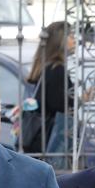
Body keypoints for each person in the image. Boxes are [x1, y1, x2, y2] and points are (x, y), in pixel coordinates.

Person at [28, 21, 76, 164]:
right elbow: (59, 104)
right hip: (50, 138)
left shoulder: (45, 66)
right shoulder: (57, 69)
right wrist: (79, 100)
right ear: (60, 41)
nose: (75, 40)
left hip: (40, 136)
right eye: (71, 36)